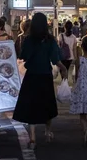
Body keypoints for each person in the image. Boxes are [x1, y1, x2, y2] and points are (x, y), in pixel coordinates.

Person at [13, 12, 67, 150]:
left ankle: (32, 138)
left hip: (31, 76)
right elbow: (55, 58)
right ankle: (47, 132)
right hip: (45, 76)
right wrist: (63, 69)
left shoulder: (29, 40)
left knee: (31, 106)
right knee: (47, 104)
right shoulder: (50, 39)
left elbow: (23, 56)